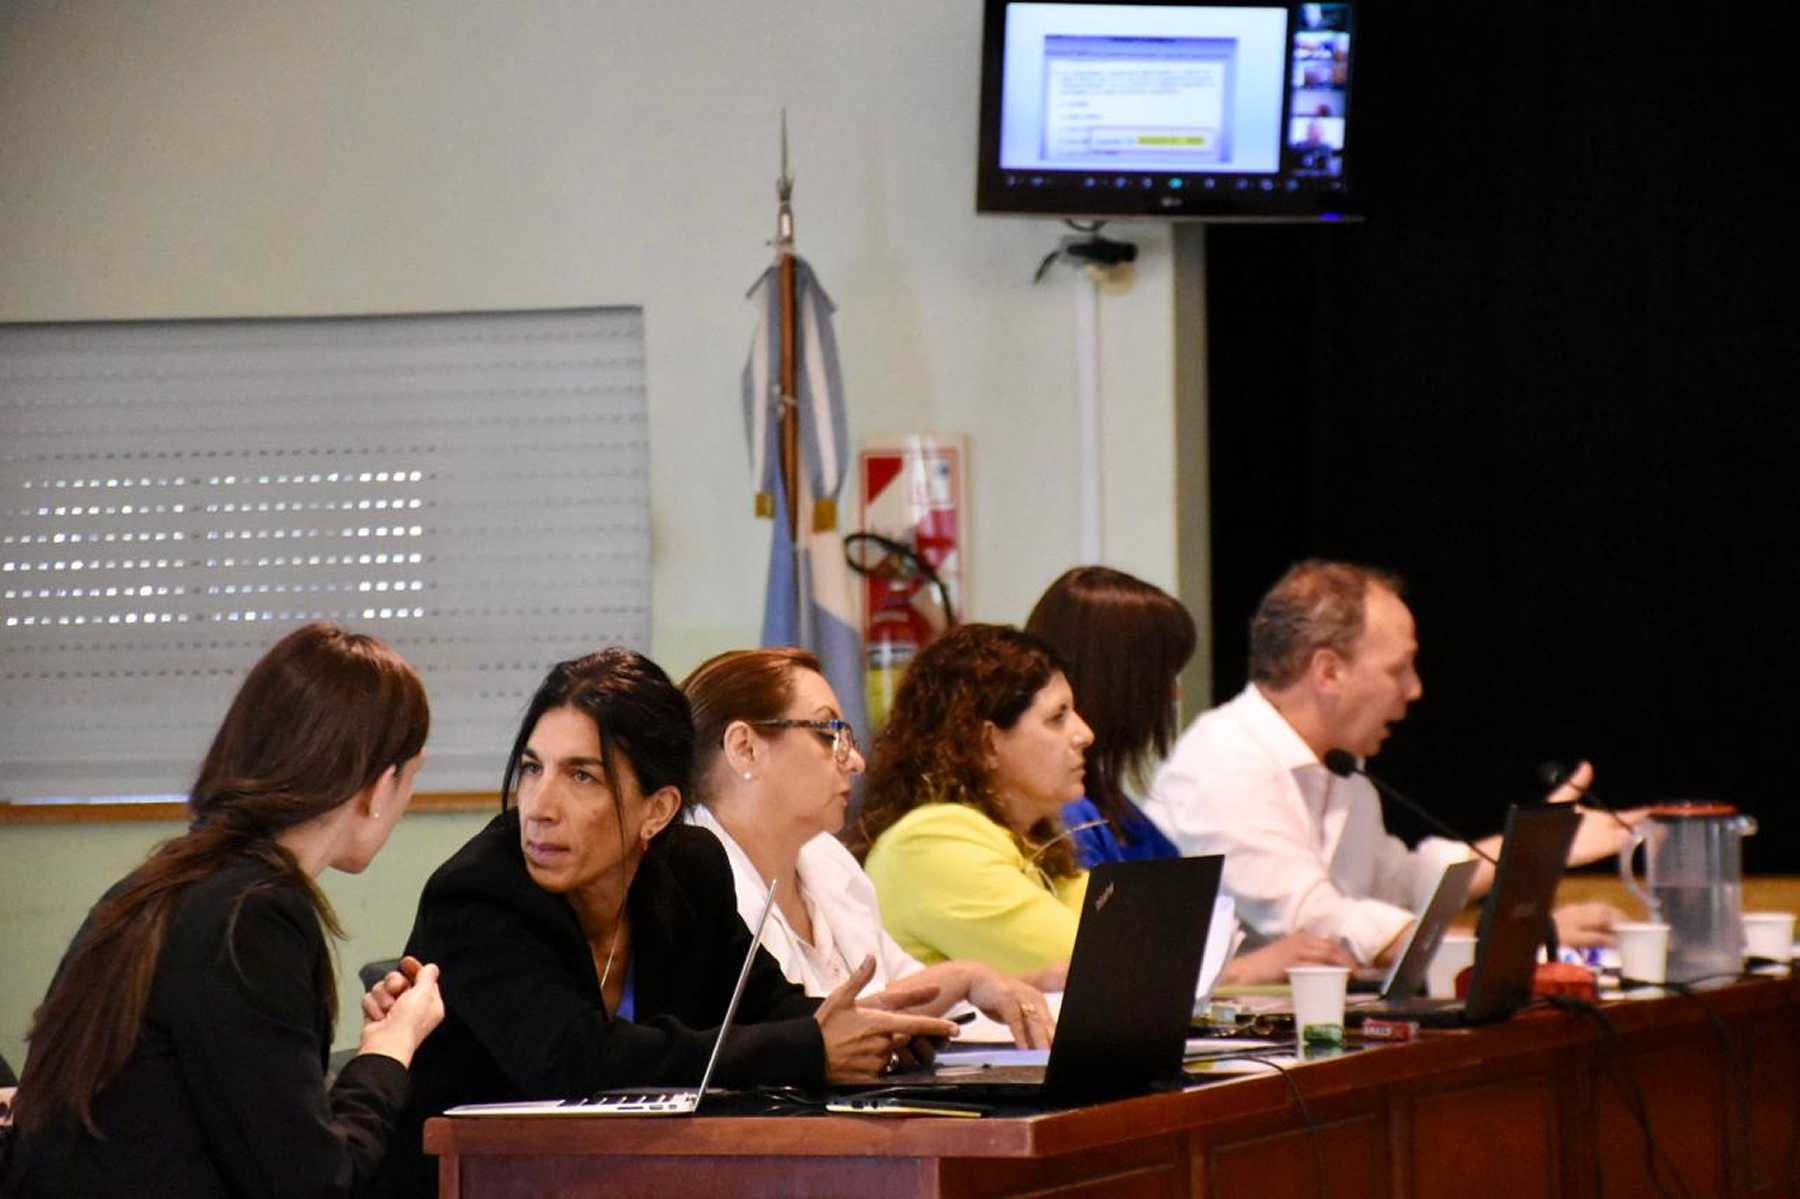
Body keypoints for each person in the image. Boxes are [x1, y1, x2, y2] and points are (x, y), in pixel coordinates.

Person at [377, 648, 954, 1197]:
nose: (540, 807)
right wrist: (810, 1047)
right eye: (532, 768)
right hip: (467, 1188)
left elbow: (763, 1007)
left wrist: (870, 1030)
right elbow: (575, 1061)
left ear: (658, 809)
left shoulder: (690, 868)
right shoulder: (479, 893)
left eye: (582, 777)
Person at [4, 623, 443, 1198]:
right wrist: (389, 1054)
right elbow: (312, 1184)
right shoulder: (255, 915)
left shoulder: (159, 887)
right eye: (411, 778)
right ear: (380, 783)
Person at [1140, 560, 1635, 967]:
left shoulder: (1340, 767)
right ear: (1328, 671)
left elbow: (1397, 884)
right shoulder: (1226, 764)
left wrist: (1530, 846)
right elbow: (1317, 919)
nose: (1415, 690)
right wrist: (1511, 944)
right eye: (1398, 669)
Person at [681, 647, 1054, 1048]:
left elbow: (904, 995)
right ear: (744, 748)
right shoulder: (687, 884)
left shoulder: (826, 858)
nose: (856, 761)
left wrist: (976, 980)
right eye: (829, 734)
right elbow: (788, 1037)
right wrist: (961, 977)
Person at [1026, 566, 1355, 982]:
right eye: (1163, 675)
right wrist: (1248, 969)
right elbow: (1123, 974)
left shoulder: (1123, 814)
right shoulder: (1067, 820)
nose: (1173, 693)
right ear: (1120, 680)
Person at [850, 624, 1094, 980]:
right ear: (987, 743)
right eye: (1057, 718)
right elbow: (1106, 966)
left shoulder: (1029, 835)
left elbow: (1127, 938)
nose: (1085, 734)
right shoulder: (932, 843)